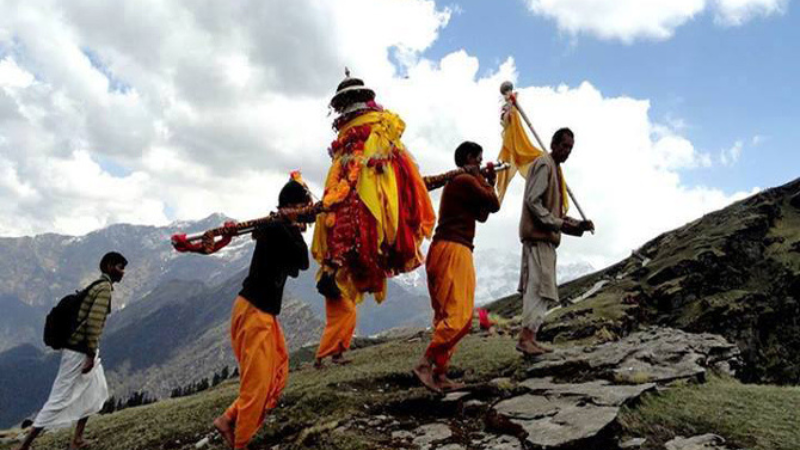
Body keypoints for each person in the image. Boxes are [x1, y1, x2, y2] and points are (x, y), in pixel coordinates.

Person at [213, 179, 312, 450]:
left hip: (263, 312)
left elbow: (296, 264)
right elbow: (302, 260)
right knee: (257, 385)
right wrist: (293, 226)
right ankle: (241, 443)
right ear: (292, 207)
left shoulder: (277, 228)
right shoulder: (277, 229)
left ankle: (229, 418)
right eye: (304, 207)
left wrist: (292, 225)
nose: (307, 212)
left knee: (275, 373)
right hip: (254, 311)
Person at [16, 252, 127, 450]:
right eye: (120, 267)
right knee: (59, 397)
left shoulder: (98, 286)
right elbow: (93, 323)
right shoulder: (103, 290)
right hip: (79, 352)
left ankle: (77, 440)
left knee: (94, 390)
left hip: (81, 349)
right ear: (110, 266)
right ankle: (24, 445)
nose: (123, 272)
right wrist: (91, 355)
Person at [413, 141, 500, 393]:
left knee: (446, 316)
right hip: (453, 249)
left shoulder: (463, 183)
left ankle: (440, 374)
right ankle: (425, 363)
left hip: (448, 249)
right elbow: (494, 203)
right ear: (470, 159)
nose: (481, 165)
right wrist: (487, 181)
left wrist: (487, 182)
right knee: (460, 317)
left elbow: (483, 214)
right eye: (479, 160)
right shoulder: (463, 180)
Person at [517, 128, 594, 356]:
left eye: (570, 148)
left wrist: (577, 225)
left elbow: (554, 212)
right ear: (554, 144)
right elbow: (534, 201)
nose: (567, 151)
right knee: (538, 288)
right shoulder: (544, 164)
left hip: (546, 240)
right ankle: (526, 338)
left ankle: (531, 336)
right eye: (564, 146)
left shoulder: (556, 171)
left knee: (542, 288)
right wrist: (555, 223)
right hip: (539, 238)